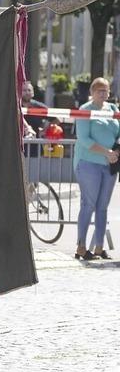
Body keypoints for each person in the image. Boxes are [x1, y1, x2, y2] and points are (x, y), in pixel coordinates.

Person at [73, 77, 120, 260]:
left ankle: (99, 247)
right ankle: (81, 247)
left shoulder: (113, 109)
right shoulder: (84, 110)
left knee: (102, 207)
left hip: (109, 164)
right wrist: (107, 152)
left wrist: (115, 151)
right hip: (88, 164)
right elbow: (84, 140)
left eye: (106, 90)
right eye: (99, 90)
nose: (103, 93)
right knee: (88, 205)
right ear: (91, 92)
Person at [21, 81, 59, 156]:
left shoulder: (39, 107)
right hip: (18, 144)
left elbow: (56, 120)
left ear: (33, 93)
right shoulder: (15, 105)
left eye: (29, 90)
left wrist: (45, 130)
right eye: (24, 90)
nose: (27, 92)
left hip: (34, 145)